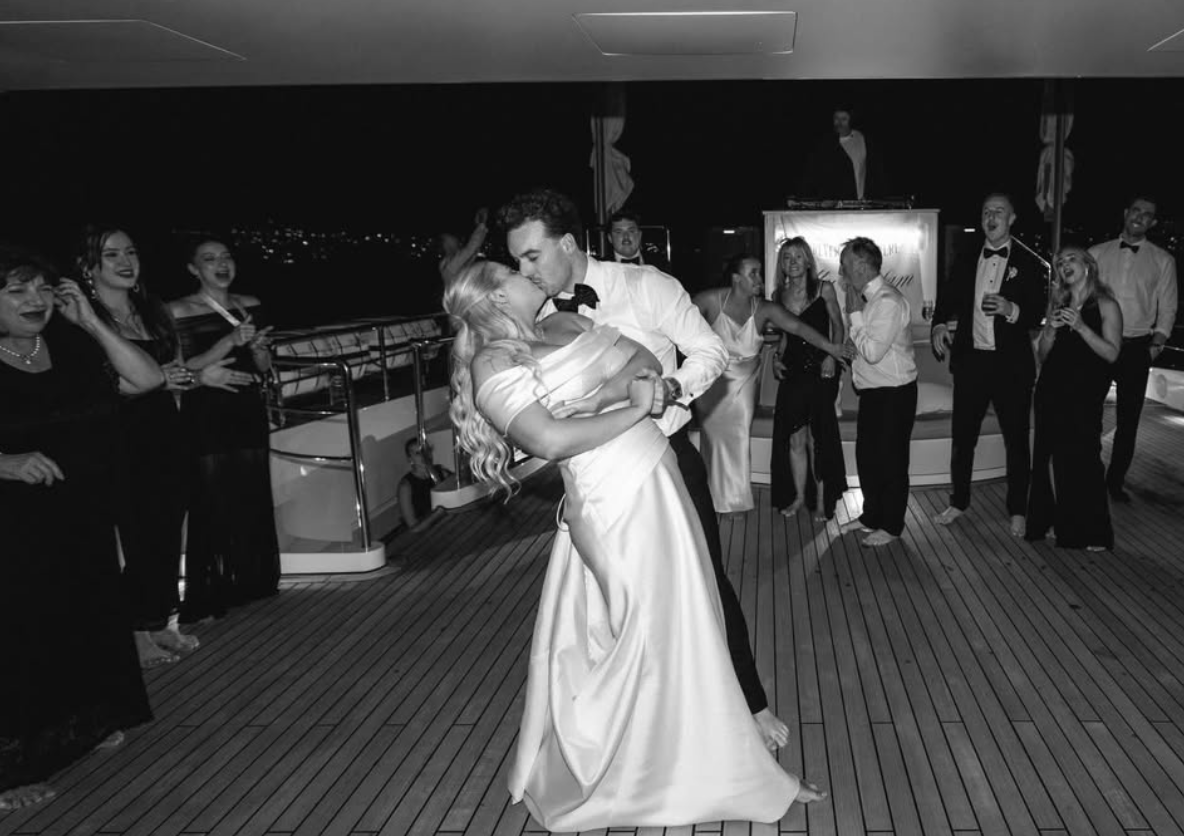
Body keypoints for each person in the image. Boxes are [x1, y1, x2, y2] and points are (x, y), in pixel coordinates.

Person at [445, 259, 824, 831]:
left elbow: (646, 363)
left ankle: (710, 761)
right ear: (498, 299)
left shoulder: (564, 325)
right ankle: (636, 770)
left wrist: (603, 400)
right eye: (515, 270)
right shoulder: (491, 361)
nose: (529, 271)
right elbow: (548, 438)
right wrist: (629, 405)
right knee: (641, 635)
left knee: (689, 621)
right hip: (608, 502)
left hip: (659, 478)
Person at [498, 187, 790, 751]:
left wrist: (670, 388)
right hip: (593, 474)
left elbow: (710, 352)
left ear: (567, 244)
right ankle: (632, 720)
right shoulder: (533, 312)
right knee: (611, 598)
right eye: (516, 261)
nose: (524, 271)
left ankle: (750, 703)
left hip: (667, 458)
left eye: (532, 256)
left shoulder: (646, 286)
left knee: (706, 581)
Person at [0, 247, 160, 812]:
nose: (36, 300)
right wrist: (4, 462)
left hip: (77, 519)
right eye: (17, 290)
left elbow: (147, 378)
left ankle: (76, 731)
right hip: (11, 528)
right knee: (16, 640)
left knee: (71, 627)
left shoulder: (68, 347)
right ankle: (7, 770)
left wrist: (90, 321)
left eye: (44, 288)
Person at [79, 225, 230, 668]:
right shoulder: (84, 319)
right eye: (111, 255)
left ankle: (160, 620)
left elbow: (176, 370)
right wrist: (155, 380)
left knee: (166, 533)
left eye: (131, 252)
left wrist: (186, 377)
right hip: (119, 437)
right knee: (136, 538)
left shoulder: (152, 309)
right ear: (88, 267)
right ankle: (136, 633)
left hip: (166, 429)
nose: (125, 262)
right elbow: (101, 384)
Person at [169, 237, 281, 623]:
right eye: (209, 259)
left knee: (250, 494)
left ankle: (252, 581)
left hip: (247, 408)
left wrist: (261, 350)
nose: (221, 264)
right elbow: (182, 367)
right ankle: (210, 593)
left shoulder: (248, 304)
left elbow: (263, 365)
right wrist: (230, 340)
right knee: (211, 501)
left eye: (226, 257)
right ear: (193, 268)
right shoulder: (178, 309)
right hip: (205, 413)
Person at [693, 253, 848, 514]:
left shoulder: (766, 307)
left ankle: (735, 502)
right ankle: (712, 496)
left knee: (740, 436)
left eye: (760, 273)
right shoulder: (709, 299)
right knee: (712, 442)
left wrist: (832, 349)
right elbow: (679, 323)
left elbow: (800, 328)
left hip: (746, 384)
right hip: (712, 385)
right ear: (736, 278)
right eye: (753, 273)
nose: (760, 280)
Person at [930, 193, 1047, 537]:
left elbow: (1037, 311)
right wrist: (939, 323)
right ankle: (958, 501)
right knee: (962, 439)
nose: (991, 216)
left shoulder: (1030, 262)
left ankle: (1018, 509)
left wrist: (1012, 309)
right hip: (972, 364)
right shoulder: (967, 255)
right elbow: (948, 295)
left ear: (1012, 219)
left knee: (1016, 441)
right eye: (986, 211)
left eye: (999, 211)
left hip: (1011, 368)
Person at [1026, 246, 1122, 550]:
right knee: (1046, 458)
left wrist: (1080, 327)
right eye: (1060, 262)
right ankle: (1053, 522)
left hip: (1085, 394)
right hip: (1051, 389)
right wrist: (1050, 332)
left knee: (1084, 460)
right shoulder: (1058, 303)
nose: (1064, 264)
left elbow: (1112, 354)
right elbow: (1043, 355)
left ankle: (1095, 533)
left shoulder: (1106, 305)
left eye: (1071, 259)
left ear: (1088, 266)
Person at [1088, 194, 1178, 503]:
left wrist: (1156, 345)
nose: (1139, 216)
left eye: (1147, 214)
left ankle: (1115, 481)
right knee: (1089, 414)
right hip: (1100, 344)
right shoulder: (1096, 253)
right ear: (1126, 213)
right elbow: (1082, 298)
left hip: (1137, 349)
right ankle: (1091, 472)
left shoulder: (1163, 261)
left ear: (1153, 222)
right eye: (1136, 210)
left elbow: (1168, 307)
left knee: (1128, 422)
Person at [838, 237, 917, 547]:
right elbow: (867, 345)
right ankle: (871, 516)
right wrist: (851, 345)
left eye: (845, 265)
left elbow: (872, 352)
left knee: (891, 462)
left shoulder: (887, 301)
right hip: (874, 393)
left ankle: (892, 525)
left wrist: (854, 316)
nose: (842, 272)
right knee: (868, 459)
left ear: (861, 265)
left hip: (894, 394)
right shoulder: (869, 300)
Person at [769, 237, 849, 520]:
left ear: (807, 261)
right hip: (792, 372)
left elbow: (838, 326)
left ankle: (822, 501)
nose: (792, 262)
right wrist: (777, 358)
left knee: (819, 439)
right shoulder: (778, 295)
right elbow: (785, 336)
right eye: (786, 257)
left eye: (798, 256)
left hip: (822, 369)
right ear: (782, 264)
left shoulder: (824, 288)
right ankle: (800, 497)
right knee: (795, 438)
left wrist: (831, 357)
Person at [798, 106, 887, 201]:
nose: (839, 123)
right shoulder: (824, 144)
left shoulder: (862, 138)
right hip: (835, 203)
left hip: (862, 202)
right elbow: (812, 174)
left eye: (844, 119)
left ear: (851, 120)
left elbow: (875, 170)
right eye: (836, 118)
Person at [397, 436, 451, 532]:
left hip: (444, 525)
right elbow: (413, 528)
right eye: (418, 453)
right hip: (423, 533)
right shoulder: (405, 487)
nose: (424, 456)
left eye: (426, 451)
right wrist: (437, 514)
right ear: (410, 459)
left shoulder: (441, 472)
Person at [438, 206, 489, 284]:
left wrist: (480, 225)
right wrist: (481, 224)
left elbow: (473, 250)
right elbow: (471, 249)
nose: (456, 239)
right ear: (445, 244)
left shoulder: (450, 262)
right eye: (452, 237)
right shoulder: (448, 265)